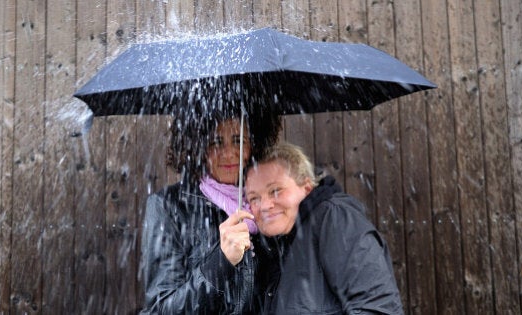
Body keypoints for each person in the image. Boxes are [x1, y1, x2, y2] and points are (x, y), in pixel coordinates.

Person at [138, 98, 281, 314]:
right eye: (216, 142)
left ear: (253, 145)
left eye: (238, 140)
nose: (228, 153)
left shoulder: (268, 205)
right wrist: (221, 262)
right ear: (197, 145)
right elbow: (161, 309)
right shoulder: (169, 207)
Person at [245, 142, 404, 314]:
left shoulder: (334, 220)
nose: (265, 205)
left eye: (275, 191)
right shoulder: (269, 247)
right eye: (254, 198)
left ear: (306, 188)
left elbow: (378, 308)